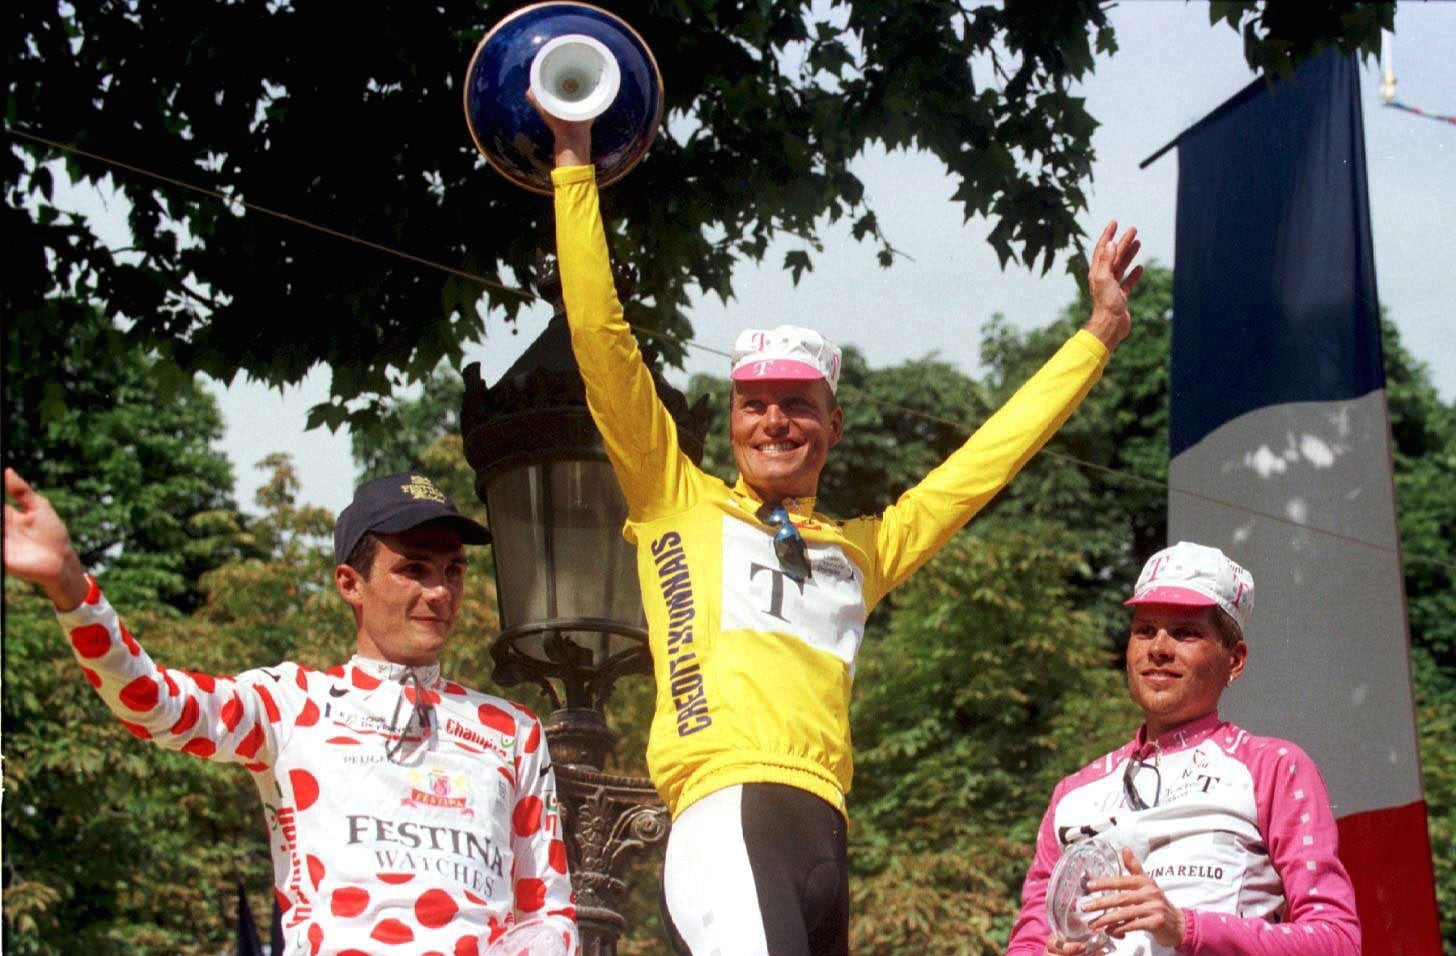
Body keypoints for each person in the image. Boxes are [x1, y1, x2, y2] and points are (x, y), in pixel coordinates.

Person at [532, 98, 1142, 956]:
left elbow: (984, 465)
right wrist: (573, 160)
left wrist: (1099, 336)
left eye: (797, 405)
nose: (774, 422)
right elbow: (604, 343)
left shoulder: (863, 549)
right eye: (755, 405)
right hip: (725, 810)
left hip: (826, 834)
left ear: (833, 424)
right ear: (732, 417)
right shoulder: (676, 500)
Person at [2, 468, 576, 955]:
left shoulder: (512, 731)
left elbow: (549, 915)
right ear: (351, 584)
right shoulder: (290, 705)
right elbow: (156, 704)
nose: (440, 592)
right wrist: (73, 589)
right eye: (415, 568)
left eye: (453, 571)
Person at [1005, 541, 1361, 956]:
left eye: (1185, 632)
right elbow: (1027, 943)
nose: (1158, 648)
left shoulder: (1274, 768)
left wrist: (1185, 927)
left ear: (1235, 660)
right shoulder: (1072, 794)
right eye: (1144, 630)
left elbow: (1338, 941)